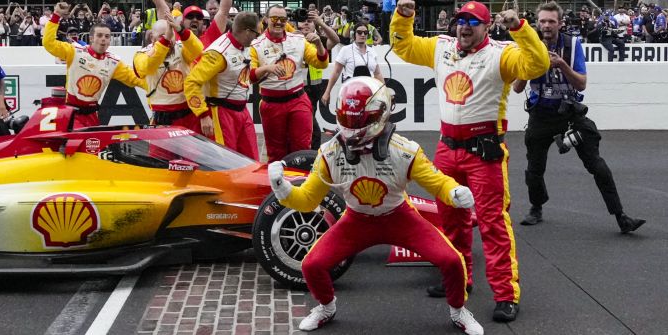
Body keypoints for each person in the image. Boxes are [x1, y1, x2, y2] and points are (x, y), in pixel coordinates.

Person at [268, 77, 483, 335]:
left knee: (452, 260)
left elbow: (437, 182)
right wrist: (282, 188)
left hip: (399, 217)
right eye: (346, 120)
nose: (351, 130)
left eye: (359, 121)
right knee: (311, 265)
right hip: (356, 220)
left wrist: (454, 192)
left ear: (380, 116)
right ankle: (326, 307)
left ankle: (459, 311)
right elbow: (307, 201)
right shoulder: (330, 153)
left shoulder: (404, 150)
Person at [390, 0, 550, 322]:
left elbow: (536, 65)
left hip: (485, 151)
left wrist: (519, 28)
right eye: (461, 19)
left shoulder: (501, 54)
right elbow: (403, 47)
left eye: (473, 21)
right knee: (450, 219)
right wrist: (403, 16)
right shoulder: (441, 46)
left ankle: (506, 294)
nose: (464, 26)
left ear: (486, 27)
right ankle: (459, 279)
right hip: (447, 149)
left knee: (493, 224)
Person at [512, 2, 645, 234]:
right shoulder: (528, 45)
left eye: (551, 21)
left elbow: (581, 83)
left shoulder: (572, 44)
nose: (546, 26)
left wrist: (561, 64)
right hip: (541, 113)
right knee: (534, 167)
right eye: (542, 21)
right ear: (536, 23)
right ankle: (536, 207)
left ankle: (620, 216)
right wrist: (530, 67)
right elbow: (516, 88)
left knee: (597, 165)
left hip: (570, 113)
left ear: (560, 24)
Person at [44, 2, 146, 128]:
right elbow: (49, 43)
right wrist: (56, 15)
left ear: (110, 40)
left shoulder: (113, 63)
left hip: (93, 116)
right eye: (99, 35)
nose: (103, 39)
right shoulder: (74, 51)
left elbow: (135, 79)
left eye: (107, 36)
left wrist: (157, 88)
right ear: (91, 38)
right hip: (70, 114)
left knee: (93, 147)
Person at [249, 5, 328, 163]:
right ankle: (279, 186)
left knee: (302, 148)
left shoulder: (298, 40)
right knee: (276, 152)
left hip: (298, 100)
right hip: (271, 104)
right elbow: (250, 76)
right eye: (275, 19)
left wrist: (319, 44)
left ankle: (301, 184)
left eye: (283, 19)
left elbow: (321, 63)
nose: (279, 23)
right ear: (266, 20)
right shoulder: (256, 45)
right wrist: (267, 68)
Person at [184, 11, 266, 160]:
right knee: (227, 161)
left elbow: (245, 77)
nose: (257, 37)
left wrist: (266, 70)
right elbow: (191, 82)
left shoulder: (245, 46)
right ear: (247, 31)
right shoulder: (218, 53)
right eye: (256, 33)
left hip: (242, 111)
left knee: (252, 159)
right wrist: (203, 115)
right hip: (222, 113)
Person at [134, 8, 203, 132]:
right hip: (161, 119)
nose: (169, 39)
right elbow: (147, 67)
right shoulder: (142, 54)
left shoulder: (181, 49)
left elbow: (197, 50)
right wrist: (165, 41)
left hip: (188, 116)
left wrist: (181, 31)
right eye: (162, 35)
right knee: (160, 152)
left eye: (171, 35)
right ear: (152, 37)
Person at [297, 9, 340, 149]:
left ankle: (311, 153)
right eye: (303, 21)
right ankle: (312, 152)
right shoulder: (293, 39)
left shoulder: (318, 39)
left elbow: (336, 40)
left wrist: (320, 22)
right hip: (297, 88)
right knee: (309, 125)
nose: (306, 24)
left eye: (309, 21)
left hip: (314, 89)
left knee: (309, 123)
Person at [321, 22, 384, 108]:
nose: (363, 35)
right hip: (350, 93)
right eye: (359, 32)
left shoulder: (372, 51)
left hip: (370, 94)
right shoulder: (345, 50)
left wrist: (384, 92)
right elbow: (336, 72)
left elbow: (377, 74)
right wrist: (327, 92)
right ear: (353, 34)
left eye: (365, 33)